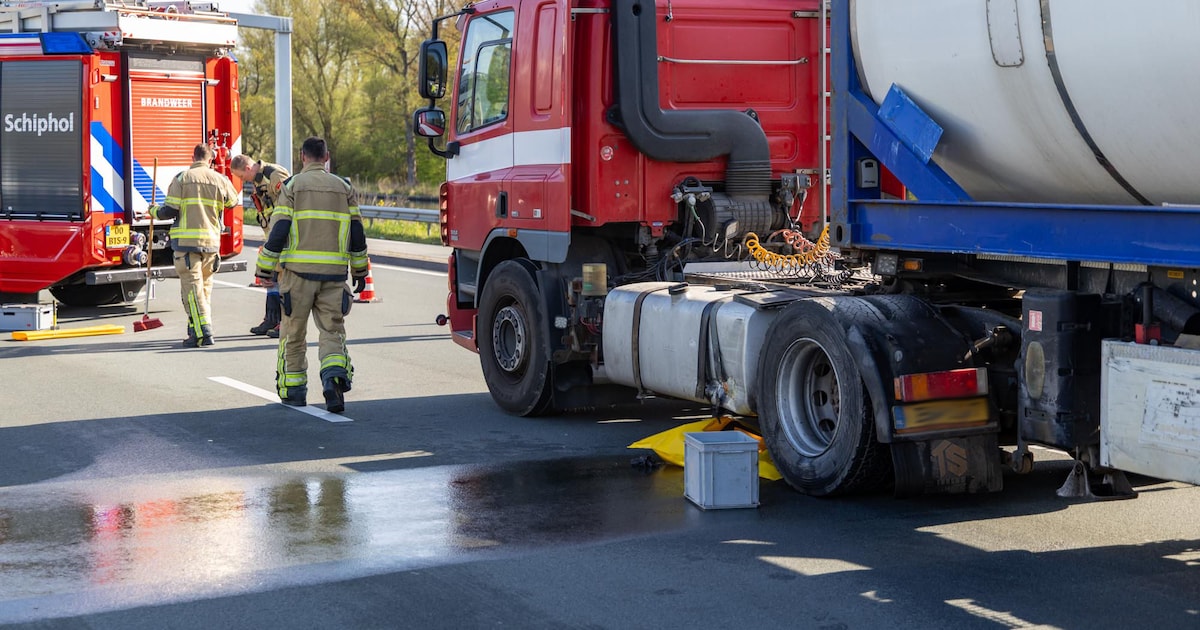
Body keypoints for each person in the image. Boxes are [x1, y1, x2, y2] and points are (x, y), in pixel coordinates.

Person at [255, 137, 369, 412]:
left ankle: (294, 391)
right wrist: (360, 269)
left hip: (298, 276)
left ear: (303, 156)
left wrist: (265, 266)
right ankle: (333, 382)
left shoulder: (293, 186)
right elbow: (357, 233)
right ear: (326, 157)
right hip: (334, 275)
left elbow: (279, 229)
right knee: (332, 331)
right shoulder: (344, 187)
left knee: (293, 333)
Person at [152, 143, 240, 348]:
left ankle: (204, 331)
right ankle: (195, 330)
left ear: (193, 158)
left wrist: (153, 211)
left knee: (192, 291)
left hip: (187, 245)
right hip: (212, 243)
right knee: (204, 290)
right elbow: (232, 202)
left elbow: (169, 211)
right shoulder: (221, 179)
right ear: (210, 159)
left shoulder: (183, 178)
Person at [231, 154, 291, 338]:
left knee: (283, 277)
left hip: (284, 234)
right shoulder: (258, 180)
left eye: (241, 176)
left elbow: (290, 201)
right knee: (271, 275)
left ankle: (285, 323)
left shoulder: (274, 174)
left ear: (248, 168)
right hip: (272, 234)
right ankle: (271, 319)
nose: (242, 180)